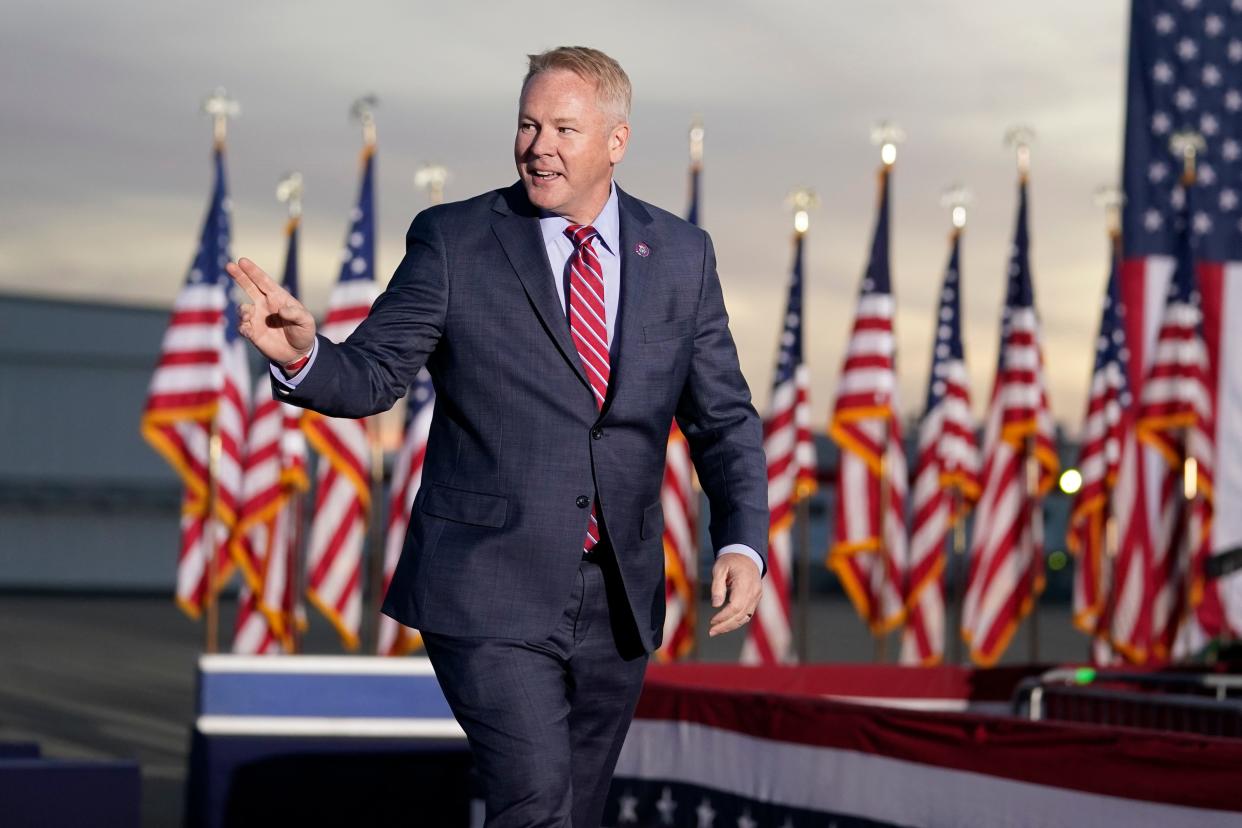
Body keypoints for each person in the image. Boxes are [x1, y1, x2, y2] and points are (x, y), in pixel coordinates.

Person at [227, 45, 769, 828]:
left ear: (615, 141)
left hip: (617, 597)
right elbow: (376, 373)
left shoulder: (682, 255)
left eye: (563, 128)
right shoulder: (455, 241)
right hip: (487, 585)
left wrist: (742, 542)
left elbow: (723, 418)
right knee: (536, 801)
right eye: (526, 124)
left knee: (574, 812)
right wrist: (306, 357)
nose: (538, 145)